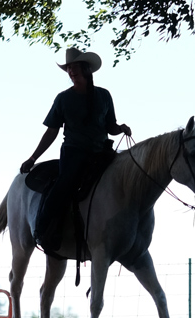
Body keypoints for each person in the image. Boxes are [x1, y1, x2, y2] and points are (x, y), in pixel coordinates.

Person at [20, 47, 132, 252]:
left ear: (86, 69)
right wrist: (33, 157)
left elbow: (110, 126)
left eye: (74, 67)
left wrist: (121, 128)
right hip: (74, 153)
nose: (71, 72)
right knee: (64, 184)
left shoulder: (104, 95)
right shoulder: (63, 99)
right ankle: (43, 228)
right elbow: (51, 132)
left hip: (101, 152)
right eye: (68, 68)